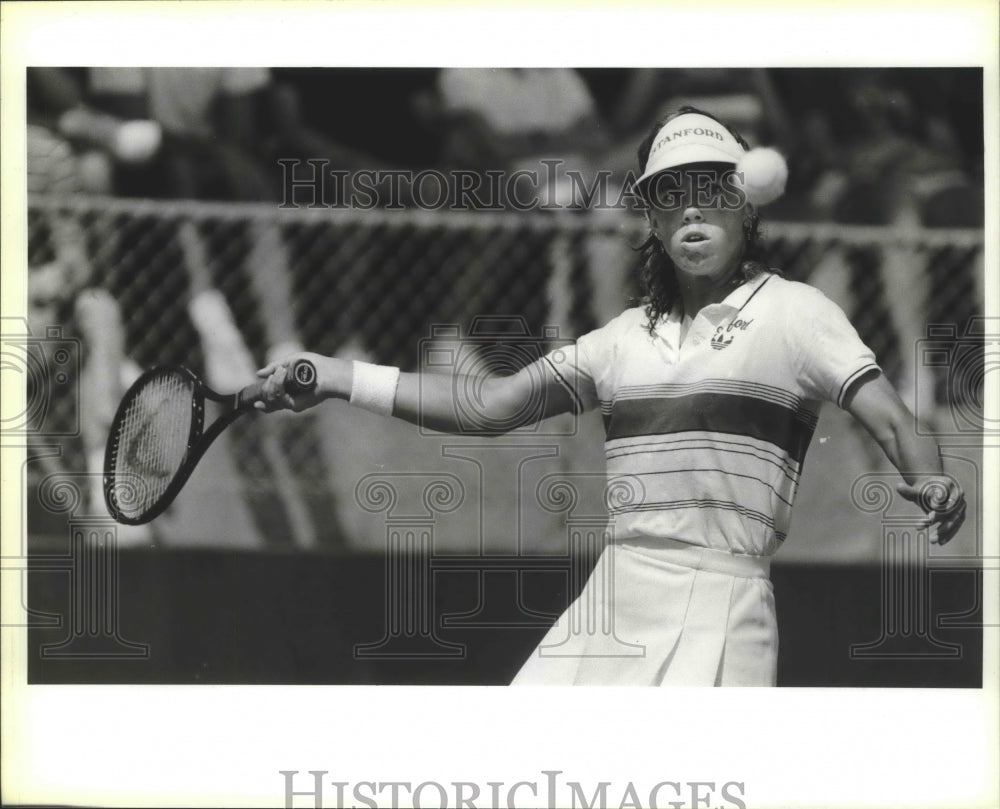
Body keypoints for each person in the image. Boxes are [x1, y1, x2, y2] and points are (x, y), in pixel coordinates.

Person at [252, 107, 967, 686]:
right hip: (613, 593)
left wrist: (927, 474)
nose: (691, 208)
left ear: (745, 207)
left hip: (722, 605)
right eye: (669, 193)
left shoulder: (799, 314)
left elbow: (890, 415)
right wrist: (339, 374)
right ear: (652, 222)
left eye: (712, 189)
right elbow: (491, 405)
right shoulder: (620, 339)